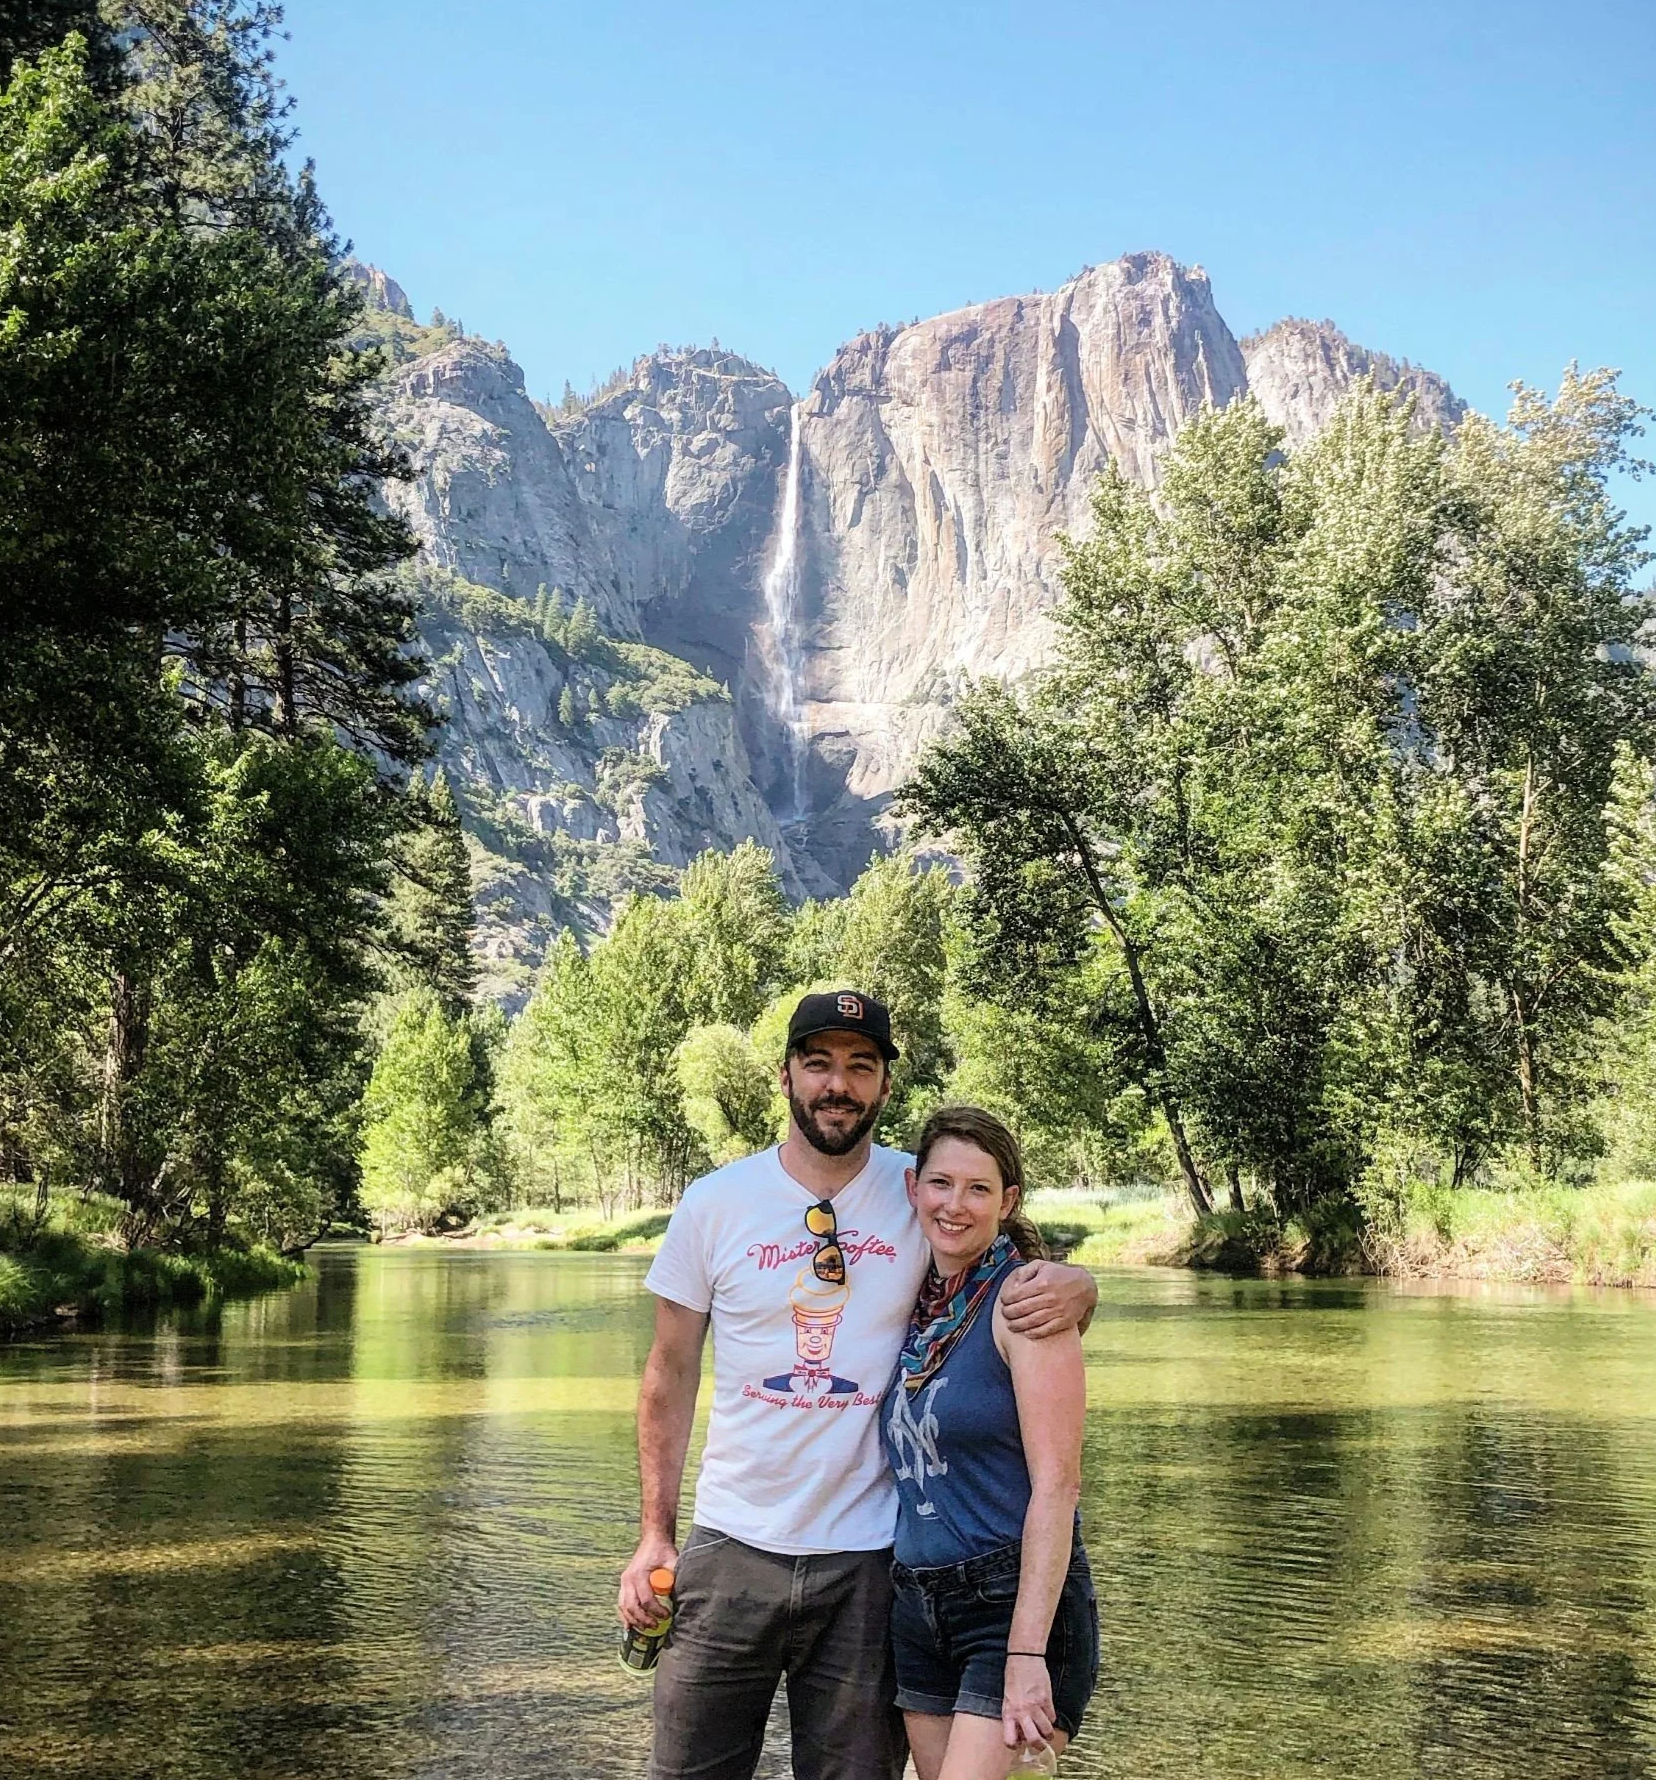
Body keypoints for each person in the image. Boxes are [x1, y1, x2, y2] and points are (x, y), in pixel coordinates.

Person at [618, 989, 1099, 1780]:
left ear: (882, 1087)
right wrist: (654, 1536)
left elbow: (1011, 1262)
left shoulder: (922, 1189)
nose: (837, 1084)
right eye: (819, 1064)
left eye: (860, 1066)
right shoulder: (715, 1204)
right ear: (786, 1077)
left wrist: (1083, 1286)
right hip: (732, 1547)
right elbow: (667, 1376)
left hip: (871, 1569)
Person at [883, 1106, 1096, 1780]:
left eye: (978, 1189)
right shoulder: (909, 1304)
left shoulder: (1029, 1305)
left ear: (1007, 1203)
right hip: (916, 1605)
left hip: (1010, 1608)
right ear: (914, 1187)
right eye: (942, 1184)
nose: (955, 1205)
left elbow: (1058, 1488)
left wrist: (1027, 1655)